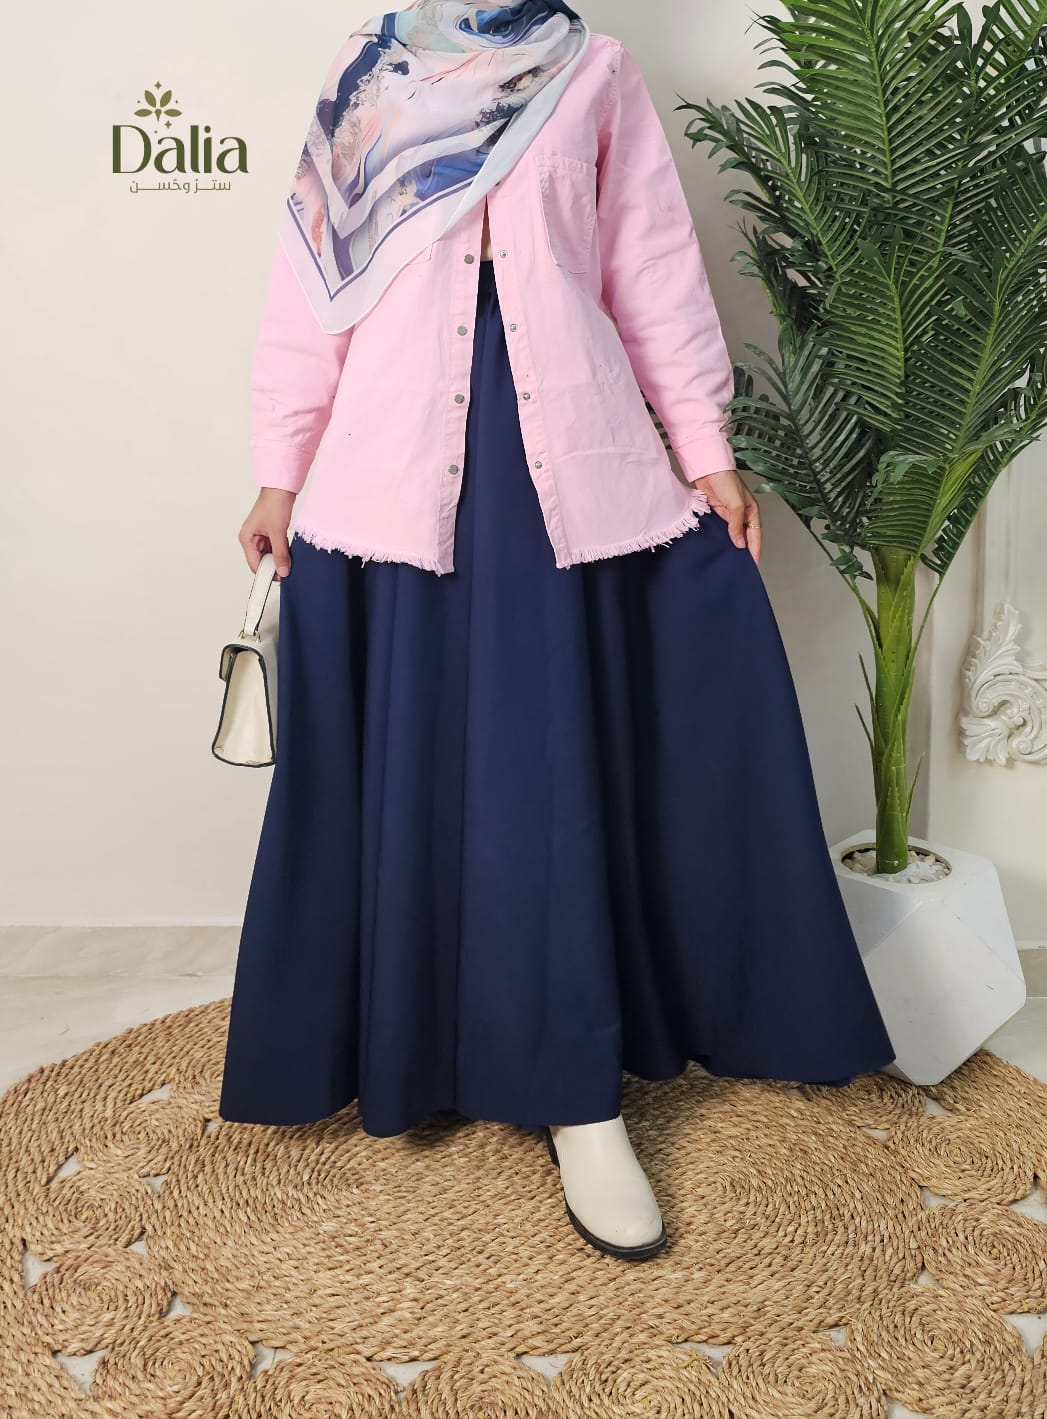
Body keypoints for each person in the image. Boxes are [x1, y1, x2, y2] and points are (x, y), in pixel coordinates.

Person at [218, 0, 897, 1262]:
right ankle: (417, 1047)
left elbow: (650, 266)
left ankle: (581, 1096)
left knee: (548, 783)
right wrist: (280, 471)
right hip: (395, 469)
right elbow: (311, 283)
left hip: (558, 465)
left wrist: (704, 451)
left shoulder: (595, 71)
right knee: (422, 770)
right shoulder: (367, 72)